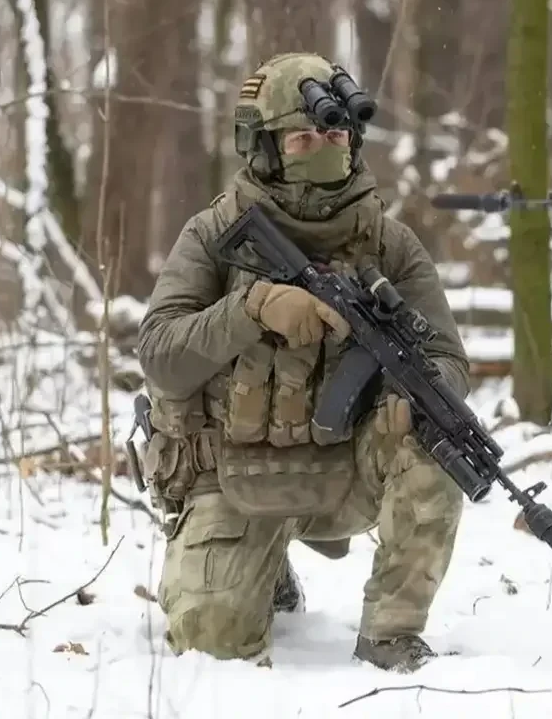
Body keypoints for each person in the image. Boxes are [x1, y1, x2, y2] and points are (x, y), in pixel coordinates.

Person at [136, 52, 469, 672]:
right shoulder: (215, 233)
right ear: (263, 148)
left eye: (337, 136)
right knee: (213, 643)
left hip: (344, 472)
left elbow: (447, 357)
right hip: (232, 474)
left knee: (439, 437)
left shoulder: (389, 243)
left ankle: (391, 635)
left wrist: (413, 396)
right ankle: (262, 566)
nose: (325, 149)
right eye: (303, 138)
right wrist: (252, 308)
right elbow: (160, 354)